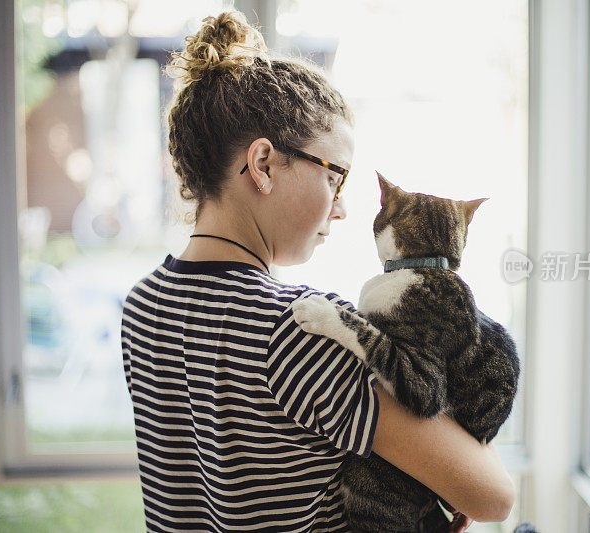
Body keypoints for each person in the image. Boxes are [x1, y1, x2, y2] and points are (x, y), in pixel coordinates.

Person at [120, 10, 515, 532]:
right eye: (336, 176)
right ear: (262, 164)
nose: (342, 207)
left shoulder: (144, 305)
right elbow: (493, 499)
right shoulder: (300, 329)